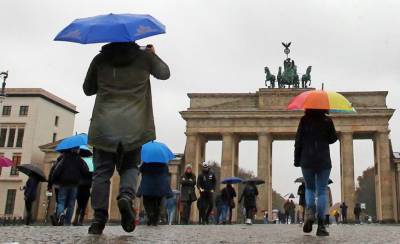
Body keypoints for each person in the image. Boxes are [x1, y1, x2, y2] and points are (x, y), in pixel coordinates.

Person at [83, 42, 170, 235]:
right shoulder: (144, 58)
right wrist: (152, 55)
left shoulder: (99, 59)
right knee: (130, 166)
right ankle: (126, 196)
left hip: (104, 124)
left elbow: (88, 89)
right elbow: (164, 73)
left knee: (102, 173)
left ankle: (98, 218)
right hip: (134, 124)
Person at [294, 109, 338, 236]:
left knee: (309, 188)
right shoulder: (327, 120)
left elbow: (298, 141)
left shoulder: (304, 120)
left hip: (307, 160)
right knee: (322, 191)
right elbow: (333, 139)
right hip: (323, 160)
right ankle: (321, 226)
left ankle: (310, 213)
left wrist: (297, 160)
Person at [51, 148, 89, 226]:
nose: (79, 150)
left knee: (61, 201)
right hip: (74, 184)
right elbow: (85, 171)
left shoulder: (65, 158)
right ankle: (67, 222)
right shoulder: (80, 160)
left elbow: (56, 170)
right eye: (78, 149)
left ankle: (61, 213)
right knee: (71, 204)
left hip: (64, 183)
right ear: (76, 150)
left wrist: (54, 180)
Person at [137, 162, 173, 226]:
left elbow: (141, 170)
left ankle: (150, 214)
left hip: (147, 185)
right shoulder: (163, 163)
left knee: (147, 202)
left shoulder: (146, 162)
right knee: (158, 204)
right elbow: (166, 173)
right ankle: (155, 219)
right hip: (159, 186)